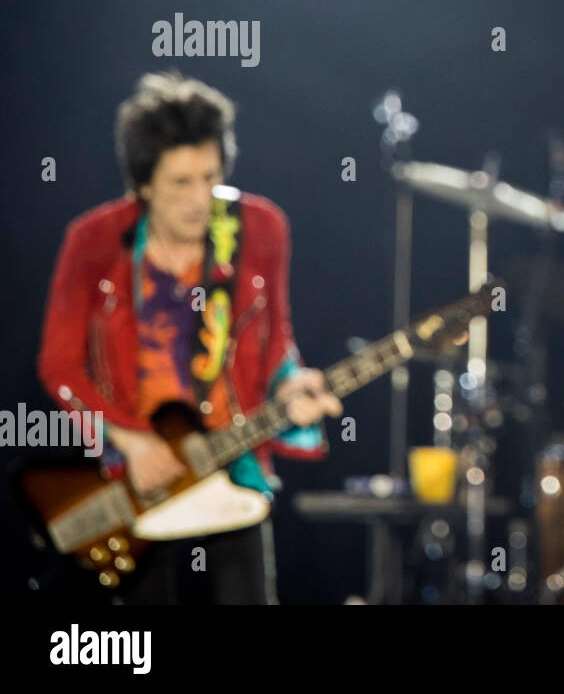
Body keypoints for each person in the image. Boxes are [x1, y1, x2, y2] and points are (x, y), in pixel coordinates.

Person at [37, 70, 342, 603]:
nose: (200, 198)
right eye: (180, 182)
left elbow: (276, 342)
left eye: (210, 176)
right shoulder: (93, 241)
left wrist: (291, 386)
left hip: (234, 457)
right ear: (143, 184)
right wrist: (129, 440)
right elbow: (59, 366)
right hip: (139, 479)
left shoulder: (260, 228)